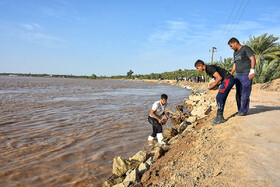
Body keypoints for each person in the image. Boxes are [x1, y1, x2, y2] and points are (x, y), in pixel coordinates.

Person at [195, 60, 235, 125]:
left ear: (201, 65)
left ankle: (220, 118)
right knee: (220, 97)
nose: (198, 70)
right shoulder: (208, 70)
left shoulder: (209, 68)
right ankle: (220, 116)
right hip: (226, 80)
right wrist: (215, 85)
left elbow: (219, 77)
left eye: (197, 68)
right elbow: (219, 80)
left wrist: (212, 86)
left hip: (228, 79)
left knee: (219, 97)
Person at [228, 37, 256, 116]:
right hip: (238, 75)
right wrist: (231, 73)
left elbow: (252, 59)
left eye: (231, 46)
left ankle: (244, 110)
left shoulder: (245, 49)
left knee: (245, 93)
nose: (231, 48)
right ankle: (240, 109)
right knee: (238, 94)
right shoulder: (235, 52)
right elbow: (235, 64)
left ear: (235, 43)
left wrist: (252, 71)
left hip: (246, 74)